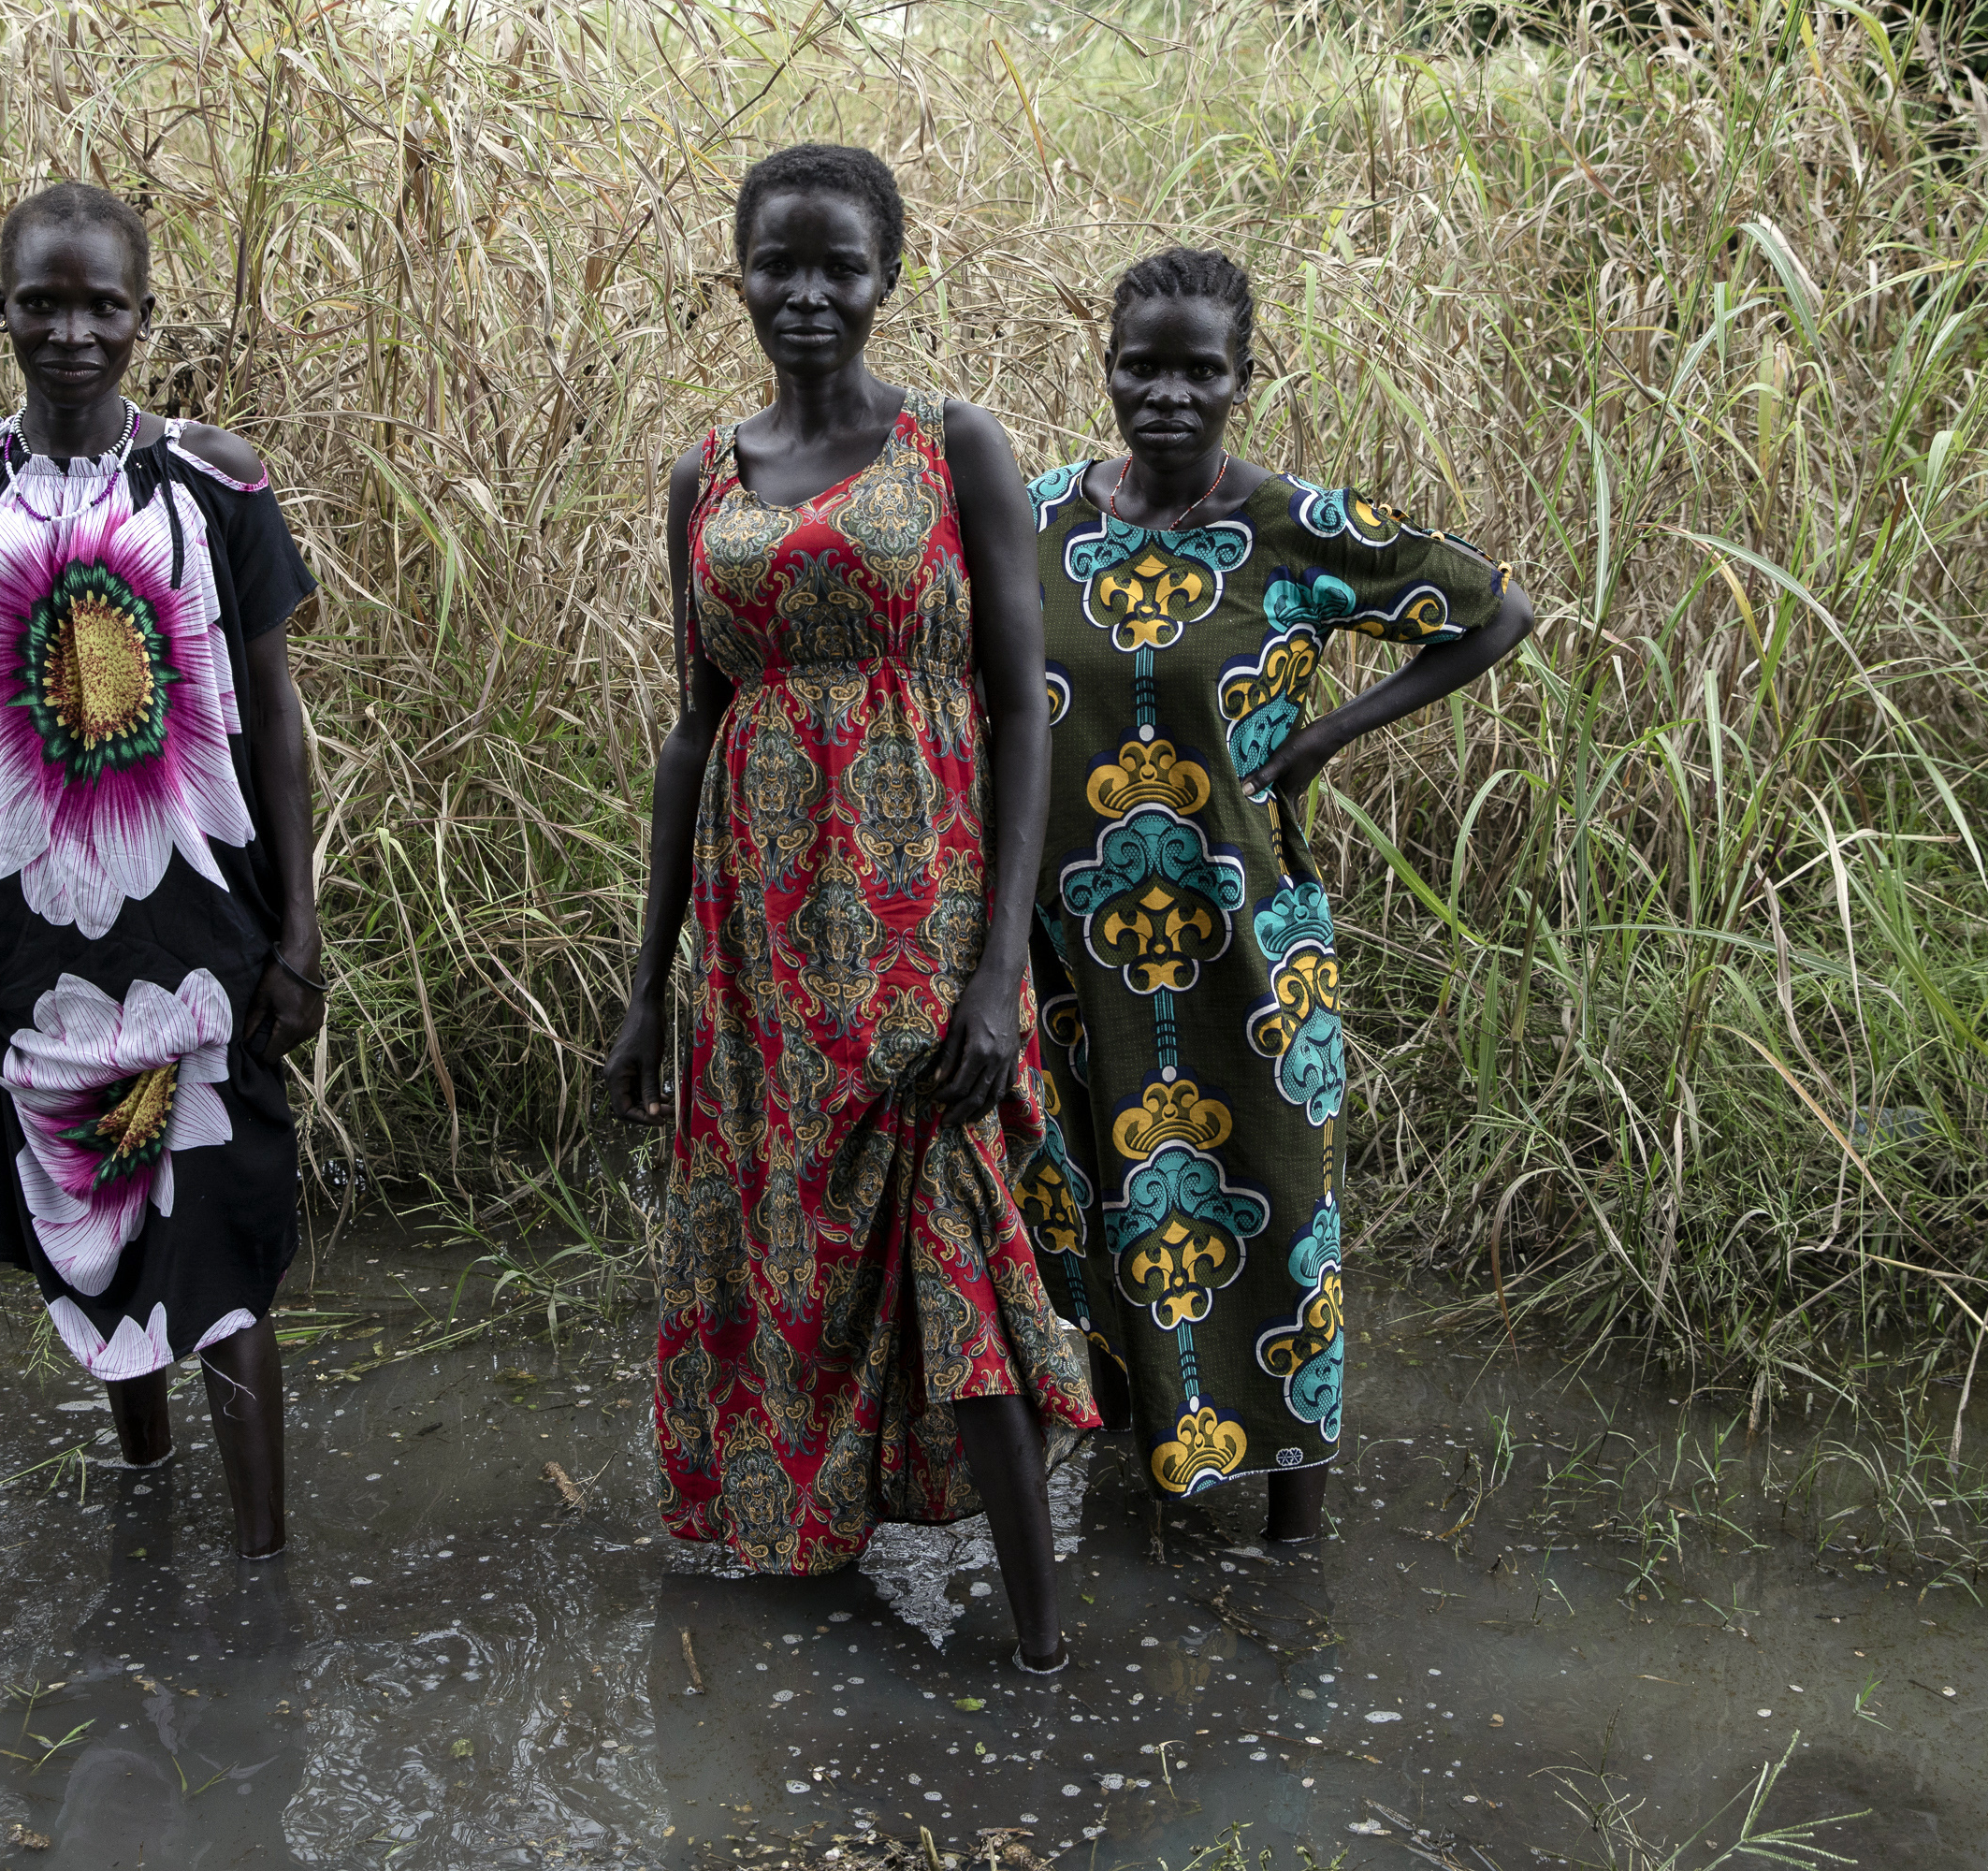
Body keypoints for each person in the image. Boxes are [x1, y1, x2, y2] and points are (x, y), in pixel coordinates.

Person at [603, 143, 1103, 1673]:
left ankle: (1037, 1646)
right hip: (759, 938)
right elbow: (697, 726)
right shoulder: (708, 470)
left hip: (922, 915)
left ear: (888, 277)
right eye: (779, 265)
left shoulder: (955, 447)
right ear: (739, 272)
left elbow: (1022, 709)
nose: (808, 295)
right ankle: (807, 1557)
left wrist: (997, 970)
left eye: (840, 267)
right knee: (782, 1244)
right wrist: (648, 979)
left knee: (952, 1225)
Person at [1022, 247, 1535, 1540]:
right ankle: (1139, 1474)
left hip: (1251, 948)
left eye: (1203, 369)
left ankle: (1293, 1533)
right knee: (1093, 1200)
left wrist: (1331, 735)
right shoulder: (1034, 521)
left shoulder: (1300, 528)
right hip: (1074, 948)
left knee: (1280, 1210)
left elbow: (1495, 613)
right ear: (1110, 368)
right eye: (1146, 366)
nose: (1171, 394)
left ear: (1245, 377)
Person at [0, 181, 325, 1559]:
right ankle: (149, 1510)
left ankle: (259, 1591)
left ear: (145, 317)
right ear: (2, 309)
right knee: (93, 1220)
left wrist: (301, 928)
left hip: (206, 923)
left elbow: (278, 718)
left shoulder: (213, 481)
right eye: (42, 304)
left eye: (102, 306)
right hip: (28, 935)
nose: (72, 332)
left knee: (226, 1238)